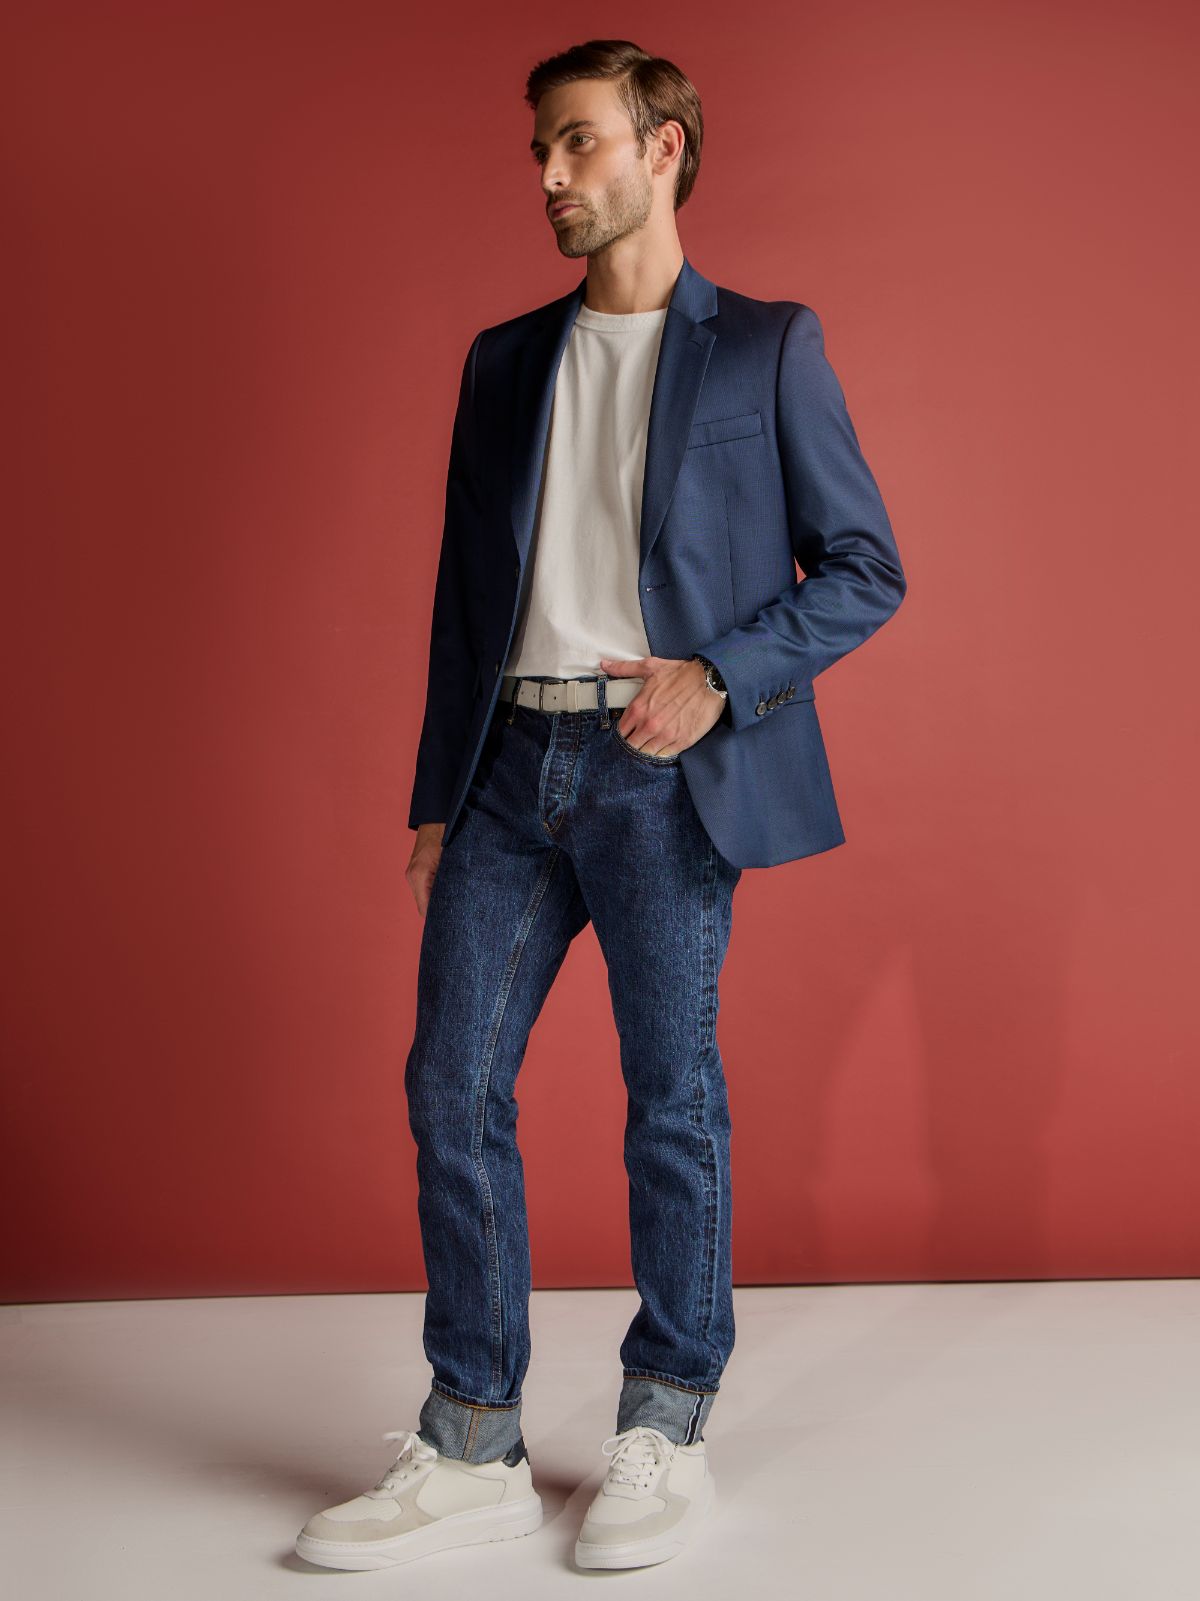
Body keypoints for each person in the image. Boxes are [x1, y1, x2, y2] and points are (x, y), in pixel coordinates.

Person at [296, 36, 905, 1574]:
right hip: (510, 768)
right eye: (541, 152)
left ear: (664, 147)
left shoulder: (766, 346)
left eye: (578, 142)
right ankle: (474, 1442)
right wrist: (435, 799)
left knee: (669, 1094)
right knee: (452, 1084)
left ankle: (667, 1417)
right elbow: (464, 602)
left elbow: (865, 568)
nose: (553, 176)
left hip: (661, 773)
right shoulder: (505, 361)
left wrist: (720, 675)